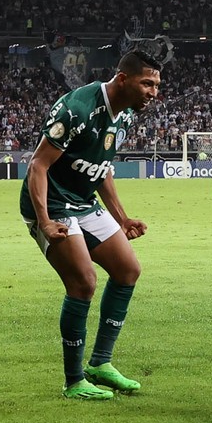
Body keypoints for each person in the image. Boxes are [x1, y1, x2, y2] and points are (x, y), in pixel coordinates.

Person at [20, 50, 161, 400]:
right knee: (83, 282)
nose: (153, 92)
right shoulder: (78, 108)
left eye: (157, 85)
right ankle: (73, 380)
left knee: (128, 269)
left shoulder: (125, 115)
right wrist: (45, 222)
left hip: (83, 202)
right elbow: (38, 166)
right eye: (147, 83)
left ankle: (100, 363)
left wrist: (122, 217)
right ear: (123, 78)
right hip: (52, 203)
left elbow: (101, 169)